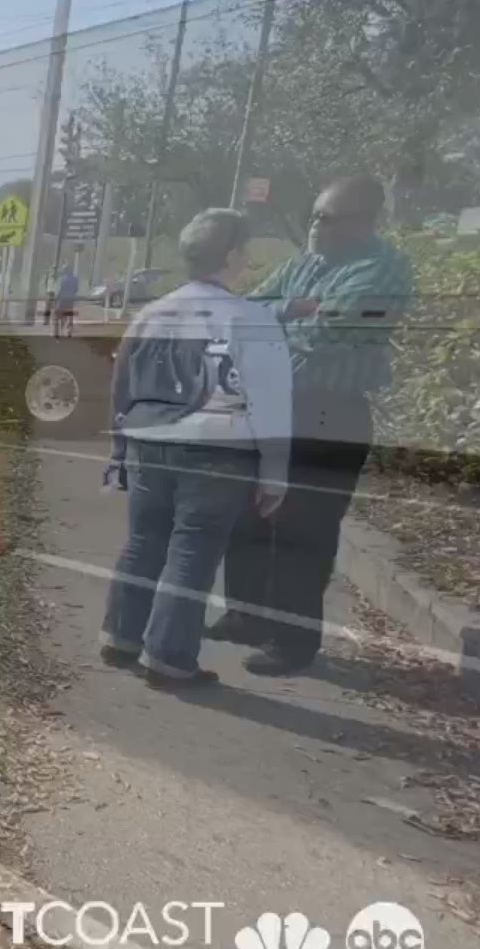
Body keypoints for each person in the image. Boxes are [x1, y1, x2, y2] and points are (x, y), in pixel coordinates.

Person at [209, 176, 414, 675]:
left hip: (329, 412)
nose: (316, 226)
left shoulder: (381, 270)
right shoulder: (306, 264)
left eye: (329, 218)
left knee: (303, 529)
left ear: (364, 222)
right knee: (249, 512)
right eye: (315, 214)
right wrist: (287, 313)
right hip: (274, 405)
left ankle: (292, 641)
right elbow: (245, 310)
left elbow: (332, 328)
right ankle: (247, 615)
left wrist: (279, 322)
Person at [100, 209, 293, 688]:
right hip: (215, 447)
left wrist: (120, 449)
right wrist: (275, 473)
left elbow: (122, 384)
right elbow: (271, 400)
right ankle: (168, 658)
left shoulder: (151, 313)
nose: (246, 259)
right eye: (244, 250)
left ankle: (120, 637)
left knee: (144, 541)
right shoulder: (251, 318)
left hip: (149, 440)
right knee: (193, 551)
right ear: (230, 256)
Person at [55, 264, 80, 337]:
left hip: (63, 298)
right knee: (70, 312)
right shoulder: (75, 279)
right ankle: (69, 328)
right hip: (71, 298)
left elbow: (61, 289)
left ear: (66, 271)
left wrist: (57, 297)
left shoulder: (63, 279)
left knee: (62, 312)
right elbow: (76, 289)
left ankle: (62, 328)